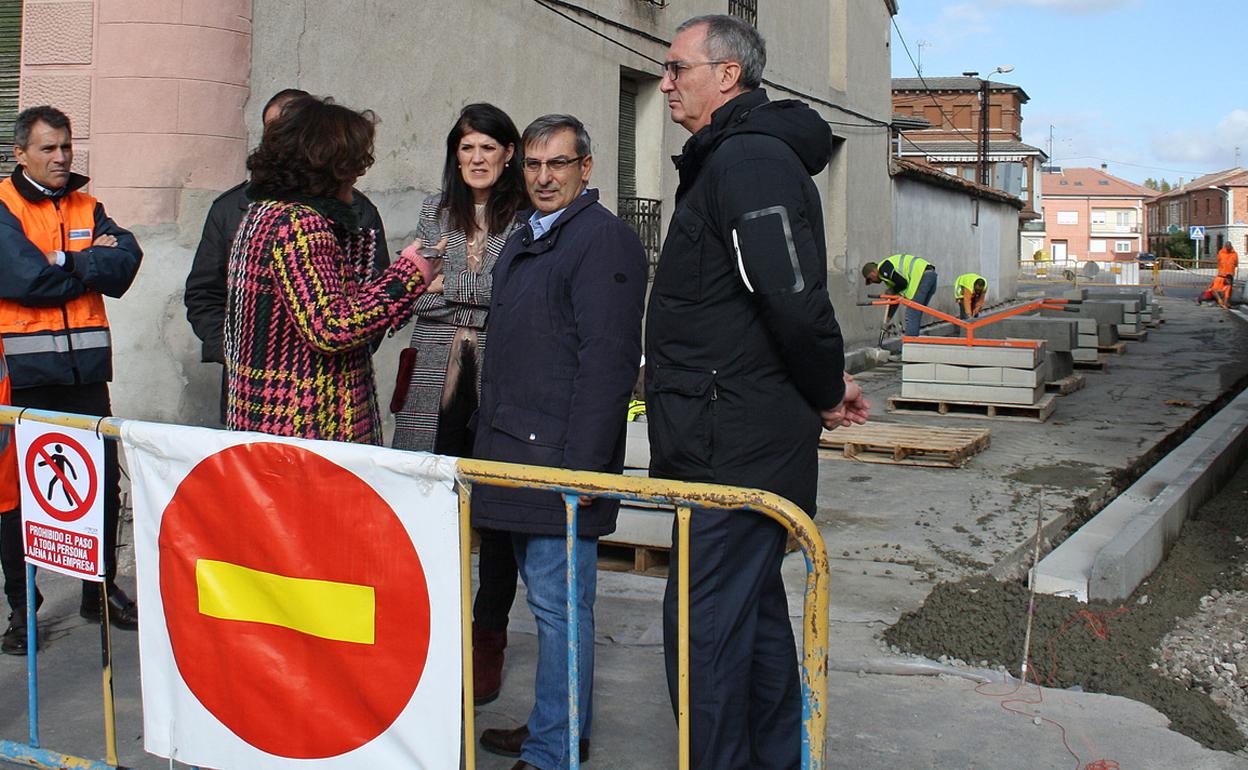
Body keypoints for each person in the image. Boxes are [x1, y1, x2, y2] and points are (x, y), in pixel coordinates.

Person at [646, 15, 869, 768]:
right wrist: (825, 385)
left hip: (730, 446)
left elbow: (791, 295)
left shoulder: (749, 164)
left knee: (702, 633)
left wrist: (825, 389)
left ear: (727, 75)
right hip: (727, 431)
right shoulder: (730, 160)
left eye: (678, 69)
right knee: (753, 622)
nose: (667, 81)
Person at [473, 114, 646, 770]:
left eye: (559, 165)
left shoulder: (602, 243)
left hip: (558, 469)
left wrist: (582, 474)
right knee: (545, 608)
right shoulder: (527, 237)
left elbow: (607, 363)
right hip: (514, 459)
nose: (544, 178)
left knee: (559, 610)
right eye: (535, 165)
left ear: (586, 169)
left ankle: (555, 752)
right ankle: (555, 728)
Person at [390, 103, 527, 704]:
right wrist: (439, 292)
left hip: (500, 384)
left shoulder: (525, 218)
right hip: (433, 386)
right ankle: (432, 633)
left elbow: (519, 297)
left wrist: (450, 287)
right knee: (428, 512)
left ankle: (488, 638)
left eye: (487, 149)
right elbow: (402, 295)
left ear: (508, 155)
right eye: (466, 149)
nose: (476, 160)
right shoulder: (432, 213)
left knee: (497, 521)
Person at [0, 105, 143, 652]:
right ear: (20, 154)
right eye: (48, 149)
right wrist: (86, 262)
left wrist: (63, 261)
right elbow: (23, 279)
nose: (61, 157)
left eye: (66, 147)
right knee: (18, 496)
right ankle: (23, 606)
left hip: (85, 375)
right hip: (24, 378)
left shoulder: (89, 204)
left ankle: (98, 591)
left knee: (100, 486)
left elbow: (126, 264)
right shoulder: (4, 207)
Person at [223, 95, 438, 443]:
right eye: (352, 164)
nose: (358, 173)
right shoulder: (300, 224)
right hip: (308, 421)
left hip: (267, 414)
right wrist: (412, 271)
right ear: (331, 166)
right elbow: (331, 327)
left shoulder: (262, 215)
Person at [184, 88, 389, 422]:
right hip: (284, 403)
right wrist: (241, 350)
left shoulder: (350, 211)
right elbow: (333, 325)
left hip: (322, 391)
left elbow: (366, 296)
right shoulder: (290, 221)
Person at [862, 254, 938, 338]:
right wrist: (887, 320)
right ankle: (914, 343)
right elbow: (896, 300)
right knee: (916, 312)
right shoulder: (888, 276)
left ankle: (910, 345)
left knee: (912, 312)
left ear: (873, 272)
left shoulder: (883, 269)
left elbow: (903, 283)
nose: (872, 282)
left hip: (923, 276)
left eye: (870, 279)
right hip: (929, 275)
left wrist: (892, 290)